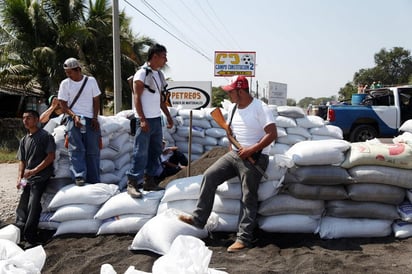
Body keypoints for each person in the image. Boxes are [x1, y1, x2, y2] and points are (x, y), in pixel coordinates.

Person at [179, 75, 278, 252]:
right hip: (235, 155)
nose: (229, 95)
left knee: (248, 195)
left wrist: (251, 149)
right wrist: (230, 139)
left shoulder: (260, 108)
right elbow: (231, 131)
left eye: (231, 92)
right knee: (209, 176)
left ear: (240, 91)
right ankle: (199, 219)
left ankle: (244, 238)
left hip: (255, 157)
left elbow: (272, 134)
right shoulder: (233, 108)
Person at [126, 43, 174, 198]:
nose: (165, 60)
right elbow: (136, 97)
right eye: (163, 56)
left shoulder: (158, 75)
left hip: (156, 119)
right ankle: (132, 183)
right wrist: (142, 119)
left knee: (155, 151)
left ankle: (149, 181)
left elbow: (160, 99)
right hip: (144, 120)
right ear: (154, 56)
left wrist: (167, 115)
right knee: (140, 152)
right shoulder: (142, 73)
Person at [58, 57, 101, 186]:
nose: (68, 75)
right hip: (73, 119)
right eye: (66, 72)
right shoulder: (65, 84)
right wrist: (74, 115)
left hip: (89, 119)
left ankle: (94, 179)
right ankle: (79, 176)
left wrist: (94, 118)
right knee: (76, 149)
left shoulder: (91, 81)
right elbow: (63, 104)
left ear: (78, 70)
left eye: (70, 72)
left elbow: (96, 101)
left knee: (92, 150)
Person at [15, 110, 56, 247]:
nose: (25, 120)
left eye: (29, 118)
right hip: (27, 178)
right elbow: (22, 161)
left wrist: (34, 171)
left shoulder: (45, 136)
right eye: (23, 118)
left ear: (37, 119)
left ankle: (30, 236)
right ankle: (19, 231)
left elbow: (50, 157)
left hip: (40, 177)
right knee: (22, 205)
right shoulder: (24, 140)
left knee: (33, 204)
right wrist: (19, 178)